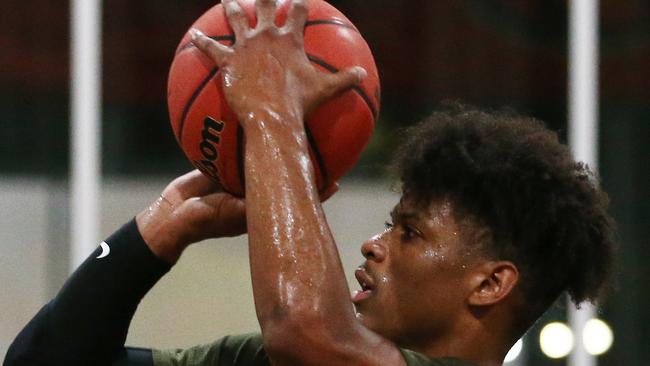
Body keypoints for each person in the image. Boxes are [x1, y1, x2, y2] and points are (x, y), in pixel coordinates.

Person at [4, 0, 616, 365]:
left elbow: (302, 328)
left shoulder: (314, 348)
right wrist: (161, 231)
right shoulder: (289, 357)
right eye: (389, 223)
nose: (374, 245)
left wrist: (269, 111)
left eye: (409, 232)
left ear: (490, 282)